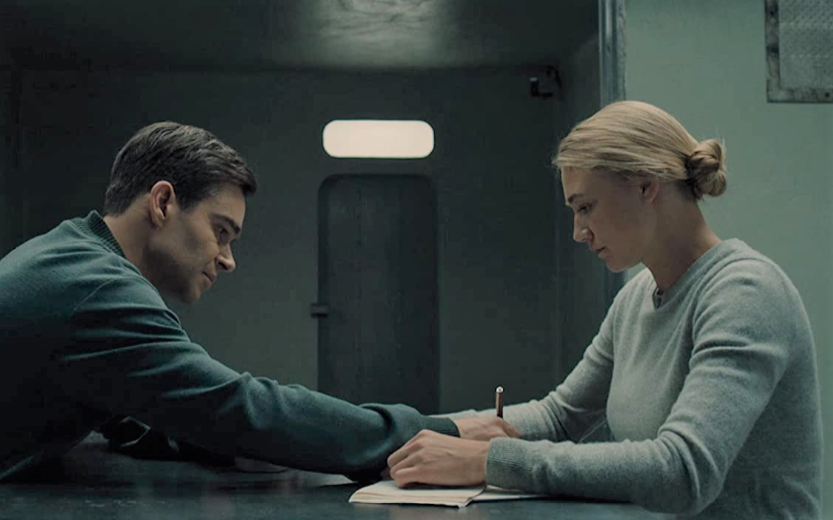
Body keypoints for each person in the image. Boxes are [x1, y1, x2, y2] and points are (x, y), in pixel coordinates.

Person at [0, 122, 519, 482]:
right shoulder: (96, 288)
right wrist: (436, 431)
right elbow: (239, 407)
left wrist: (235, 442)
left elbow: (135, 411)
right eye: (221, 232)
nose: (228, 260)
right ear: (162, 203)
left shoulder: (71, 259)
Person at [386, 101, 823, 519]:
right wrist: (409, 434)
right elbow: (561, 416)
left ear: (646, 185)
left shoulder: (745, 293)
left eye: (585, 207)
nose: (579, 232)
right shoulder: (635, 298)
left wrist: (490, 460)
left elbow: (684, 471)